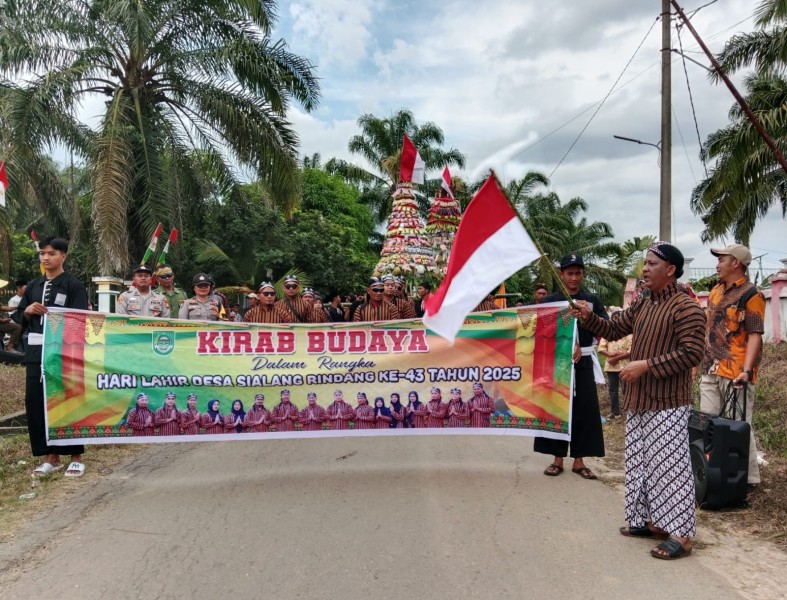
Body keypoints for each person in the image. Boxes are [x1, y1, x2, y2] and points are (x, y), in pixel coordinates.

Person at [572, 241, 705, 561]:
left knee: (671, 469)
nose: (644, 269)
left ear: (670, 270)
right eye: (644, 263)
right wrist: (588, 316)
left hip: (668, 403)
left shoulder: (686, 308)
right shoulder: (645, 302)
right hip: (640, 400)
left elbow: (692, 353)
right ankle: (656, 523)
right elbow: (614, 328)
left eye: (651, 264)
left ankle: (682, 535)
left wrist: (646, 365)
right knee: (643, 466)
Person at [17, 236, 88, 478]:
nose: (46, 258)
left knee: (67, 400)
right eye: (42, 254)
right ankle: (50, 457)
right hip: (36, 354)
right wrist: (27, 311)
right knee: (36, 402)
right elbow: (18, 319)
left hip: (64, 353)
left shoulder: (73, 285)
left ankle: (75, 456)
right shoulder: (34, 285)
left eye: (51, 253)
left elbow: (80, 321)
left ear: (63, 256)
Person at [534, 254, 606, 481]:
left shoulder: (591, 300)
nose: (574, 277)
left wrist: (589, 324)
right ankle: (557, 459)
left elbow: (605, 327)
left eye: (578, 273)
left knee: (584, 411)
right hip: (558, 364)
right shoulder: (549, 303)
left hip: (583, 362)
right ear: (561, 274)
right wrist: (565, 346)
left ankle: (579, 461)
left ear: (583, 274)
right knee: (557, 409)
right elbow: (540, 332)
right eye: (570, 273)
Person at [700, 244, 765, 490]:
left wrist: (746, 371)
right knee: (709, 424)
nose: (717, 263)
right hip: (711, 367)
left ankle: (747, 479)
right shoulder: (716, 291)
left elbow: (755, 335)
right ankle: (714, 475)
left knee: (738, 425)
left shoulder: (752, 294)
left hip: (736, 370)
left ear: (735, 263)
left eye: (722, 259)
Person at [0, 279, 23, 353]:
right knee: (17, 327)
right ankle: (10, 348)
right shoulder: (13, 299)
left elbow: (4, 307)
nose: (2, 290)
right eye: (1, 289)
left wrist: (18, 307)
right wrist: (2, 320)